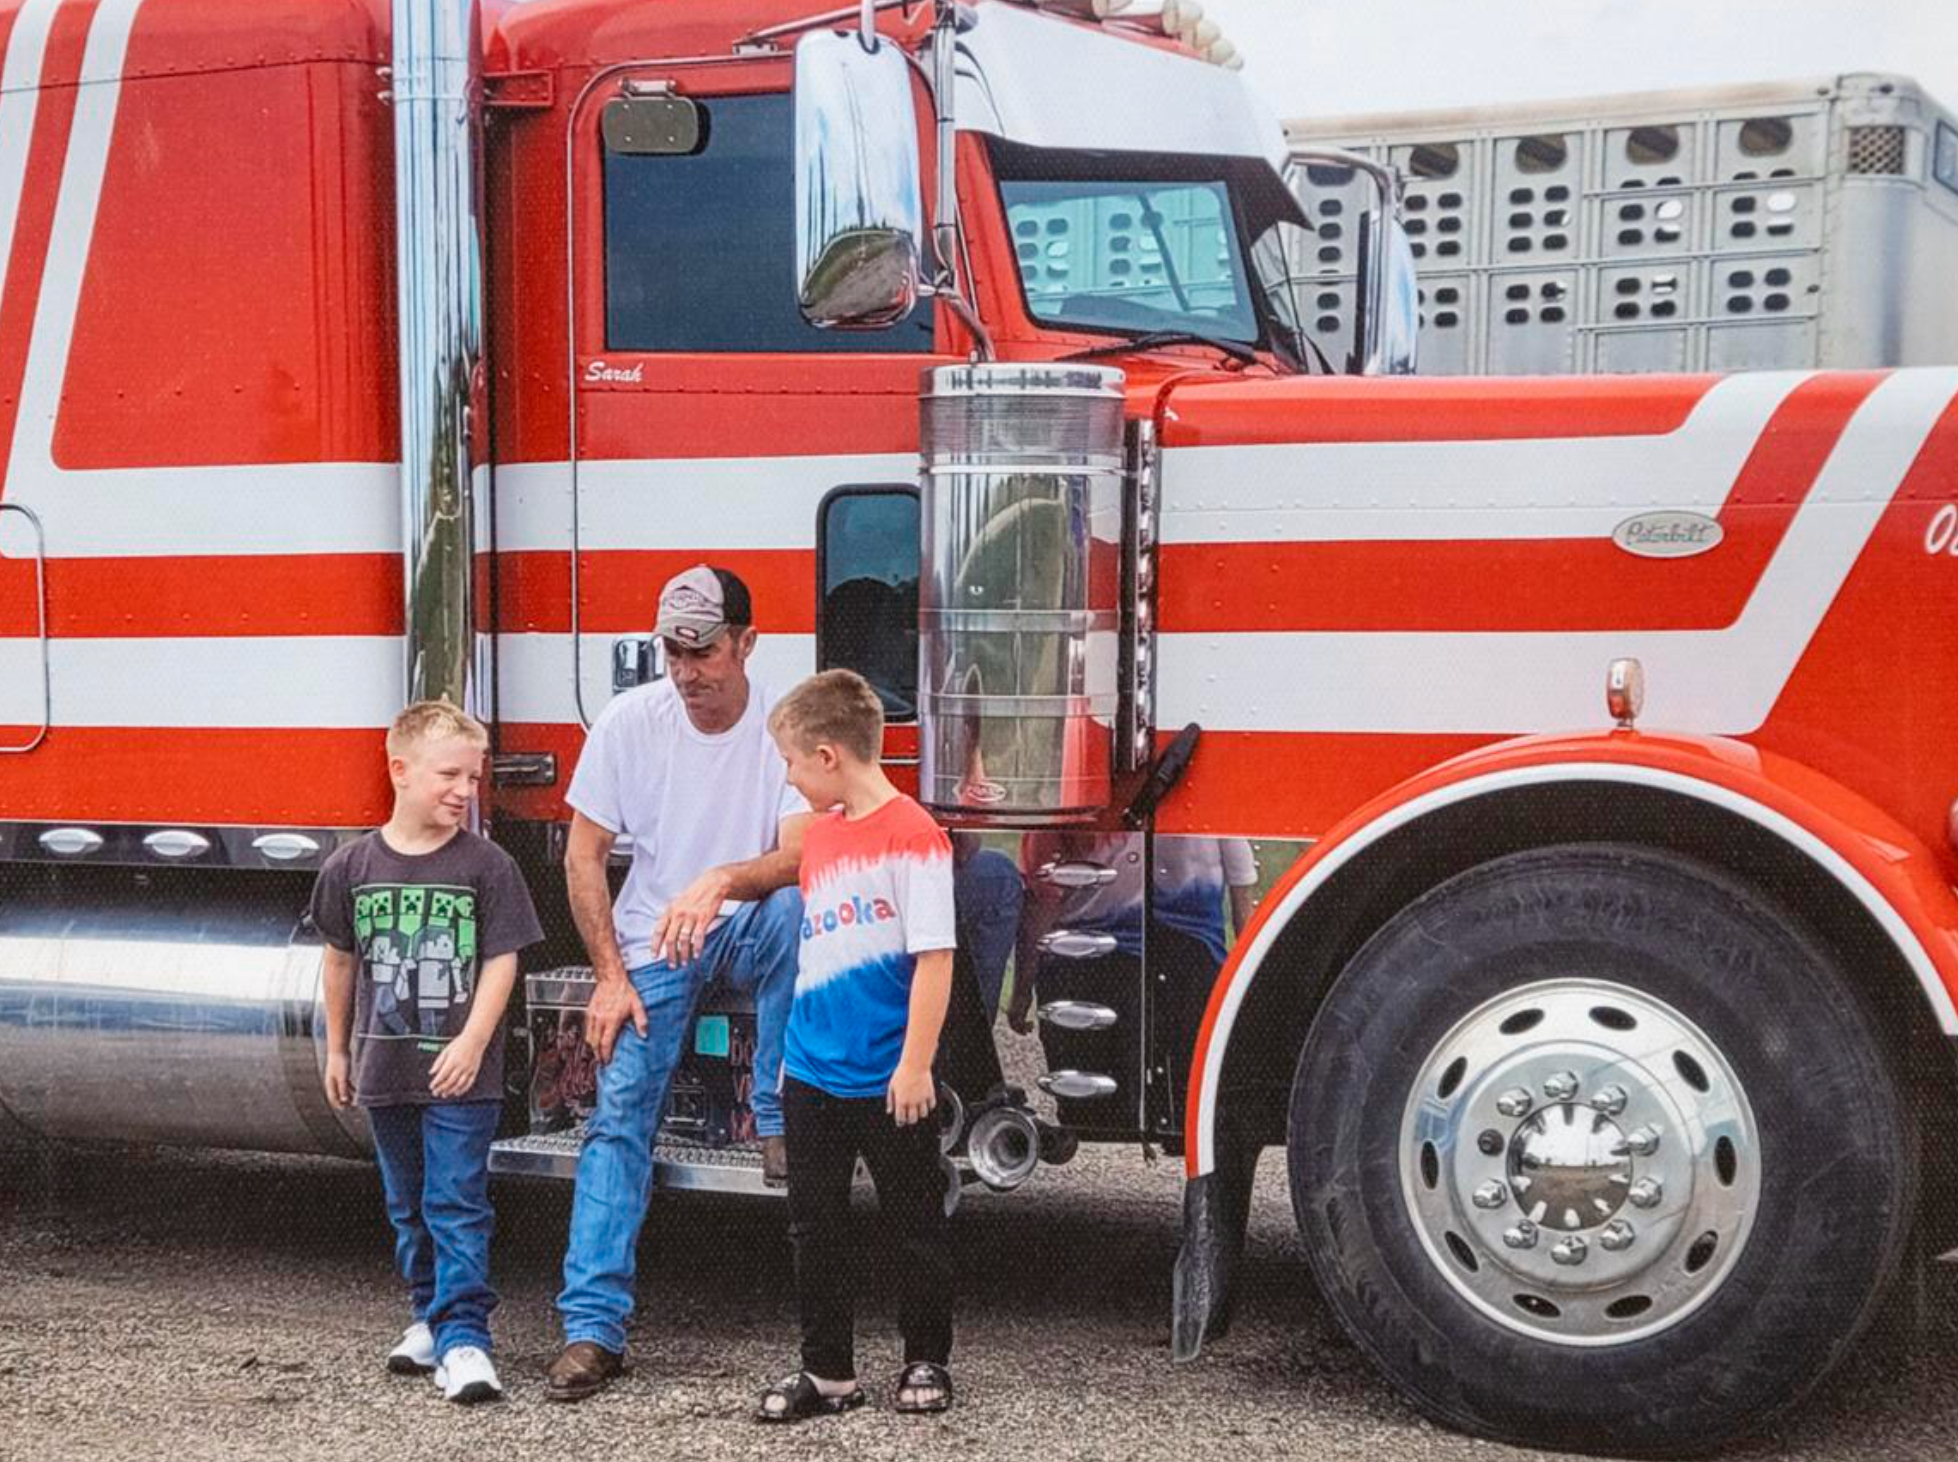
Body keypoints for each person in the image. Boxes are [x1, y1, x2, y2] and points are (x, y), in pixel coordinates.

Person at [548, 564, 811, 1402]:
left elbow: (803, 854)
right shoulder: (631, 722)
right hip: (652, 945)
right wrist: (608, 977)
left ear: (746, 643)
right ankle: (592, 1331)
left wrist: (722, 882)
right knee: (618, 1118)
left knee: (801, 908)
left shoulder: (782, 726)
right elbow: (583, 856)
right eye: (674, 650)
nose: (688, 670)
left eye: (704, 651)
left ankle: (776, 1118)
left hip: (738, 923)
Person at [311, 699, 544, 1405]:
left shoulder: (487, 865)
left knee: (456, 1201)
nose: (464, 792)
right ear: (400, 770)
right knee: (406, 1203)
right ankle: (427, 1315)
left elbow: (503, 961)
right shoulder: (351, 865)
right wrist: (339, 1052)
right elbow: (340, 961)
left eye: (473, 779)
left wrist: (474, 1041)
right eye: (450, 775)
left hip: (460, 1075)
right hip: (385, 1070)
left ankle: (466, 1338)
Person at [754, 669, 959, 1423]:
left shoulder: (914, 837)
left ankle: (926, 1357)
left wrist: (915, 1064)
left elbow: (935, 959)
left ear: (830, 755)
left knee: (915, 1221)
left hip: (887, 1074)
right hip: (809, 1069)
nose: (789, 776)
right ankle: (827, 1371)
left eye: (793, 763)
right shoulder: (822, 837)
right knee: (815, 1226)